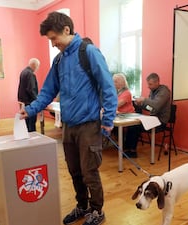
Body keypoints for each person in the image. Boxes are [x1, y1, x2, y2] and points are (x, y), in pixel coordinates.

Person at [19, 11, 117, 225]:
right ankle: (82, 206)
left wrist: (108, 120)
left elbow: (108, 87)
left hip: (89, 125)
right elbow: (47, 91)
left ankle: (97, 210)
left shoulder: (89, 52)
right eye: (49, 40)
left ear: (66, 30)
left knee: (89, 171)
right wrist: (31, 108)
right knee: (74, 171)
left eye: (54, 38)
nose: (53, 44)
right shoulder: (59, 61)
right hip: (69, 126)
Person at [124, 72, 171, 158]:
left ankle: (132, 151)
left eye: (150, 84)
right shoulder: (153, 91)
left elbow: (156, 105)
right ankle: (127, 149)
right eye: (148, 84)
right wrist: (141, 104)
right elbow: (151, 108)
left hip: (160, 121)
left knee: (135, 126)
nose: (148, 86)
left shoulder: (164, 91)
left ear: (157, 82)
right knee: (132, 124)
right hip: (153, 119)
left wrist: (144, 99)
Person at [17, 58, 40, 132]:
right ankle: (32, 138)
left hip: (23, 101)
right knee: (32, 122)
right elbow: (31, 89)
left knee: (26, 122)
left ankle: (27, 136)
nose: (37, 68)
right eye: (37, 66)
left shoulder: (23, 72)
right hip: (30, 102)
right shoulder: (30, 74)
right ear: (34, 65)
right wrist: (37, 100)